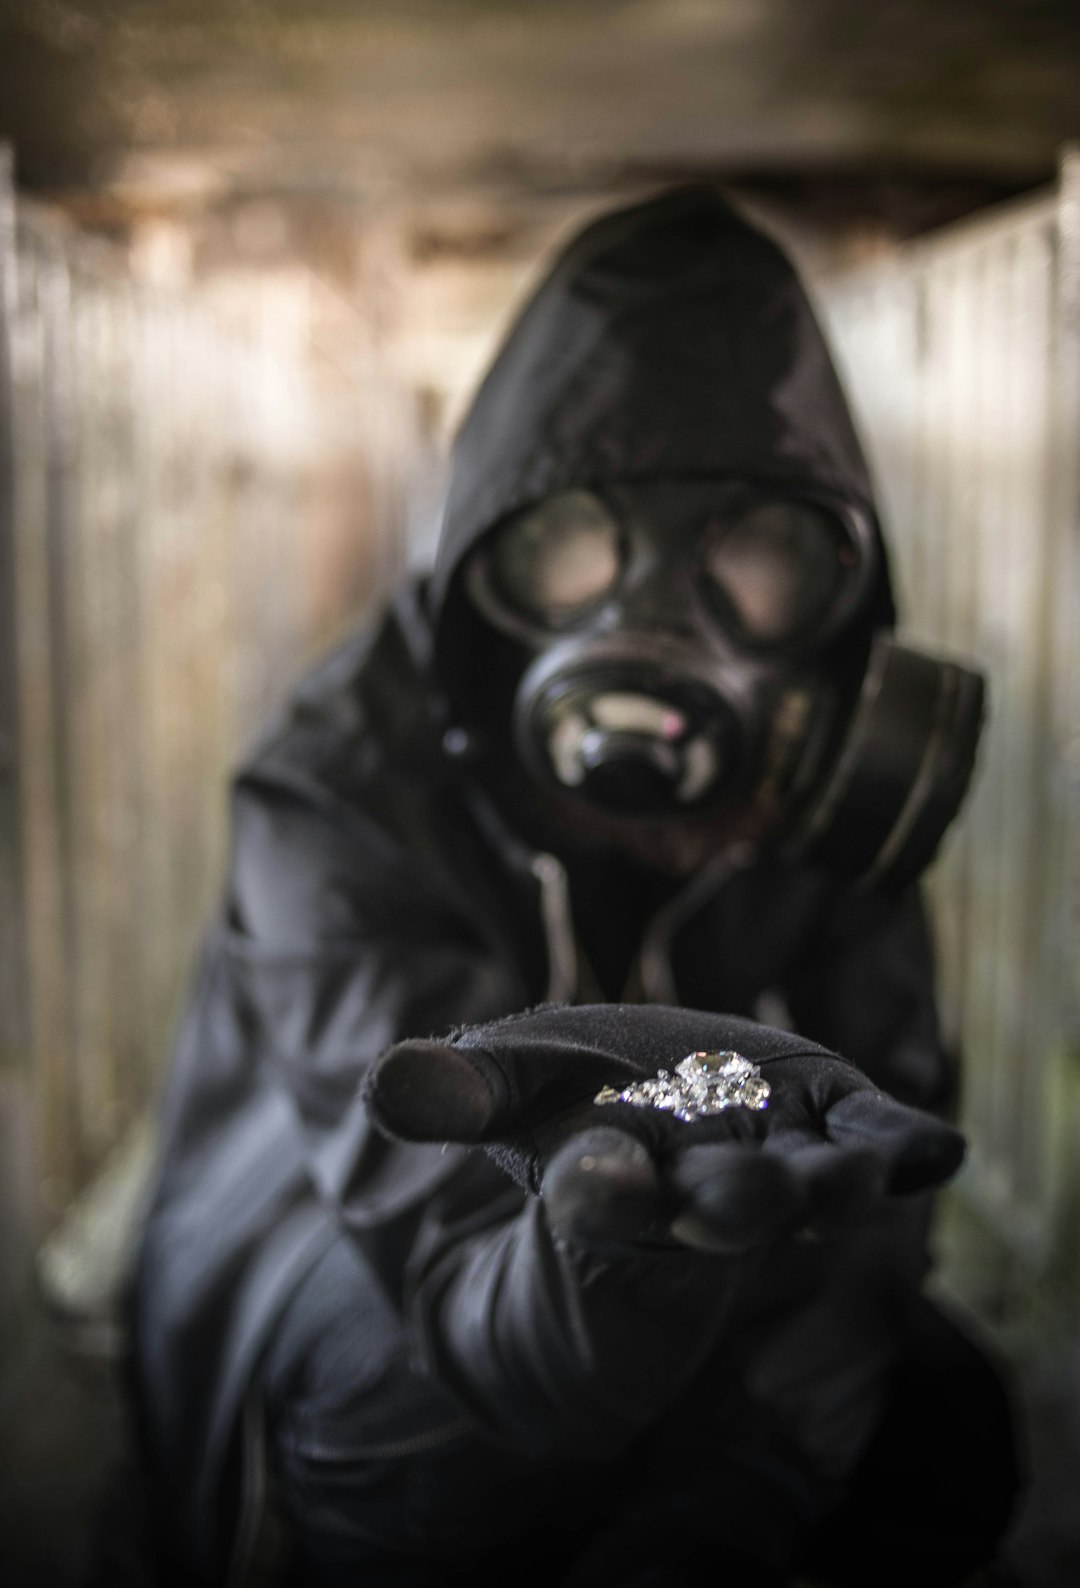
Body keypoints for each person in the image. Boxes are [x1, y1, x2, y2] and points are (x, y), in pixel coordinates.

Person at [128, 187, 1016, 1587]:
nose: (656, 620)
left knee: (945, 1424)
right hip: (357, 1257)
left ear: (835, 593)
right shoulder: (345, 784)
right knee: (420, 1445)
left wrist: (745, 1495)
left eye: (752, 550)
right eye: (578, 541)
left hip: (698, 1236)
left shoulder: (826, 767)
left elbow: (877, 1172)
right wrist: (606, 1281)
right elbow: (436, 1255)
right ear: (489, 560)